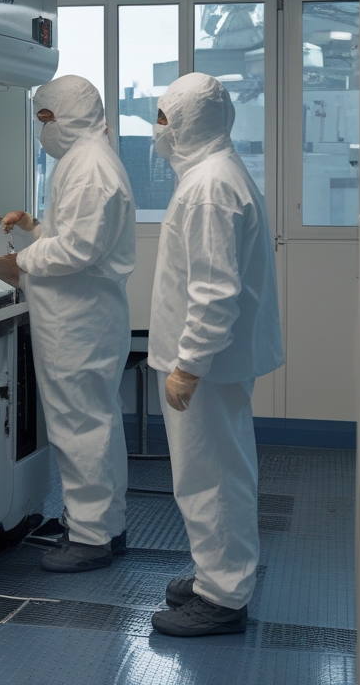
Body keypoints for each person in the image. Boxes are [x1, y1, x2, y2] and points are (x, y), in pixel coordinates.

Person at [0, 75, 136, 573]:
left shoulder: (89, 167)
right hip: (81, 314)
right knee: (94, 422)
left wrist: (15, 263)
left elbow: (78, 250)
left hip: (78, 319)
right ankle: (103, 524)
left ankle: (91, 538)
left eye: (45, 120)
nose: (42, 131)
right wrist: (34, 228)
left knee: (80, 426)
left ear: (65, 117)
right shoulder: (87, 158)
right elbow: (74, 236)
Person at [147, 72, 283, 637]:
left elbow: (213, 288)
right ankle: (215, 573)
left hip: (206, 365)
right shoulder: (214, 173)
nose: (156, 129)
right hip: (213, 362)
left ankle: (224, 596)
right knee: (214, 470)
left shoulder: (207, 186)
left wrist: (188, 364)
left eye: (162, 118)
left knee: (212, 476)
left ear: (184, 123)